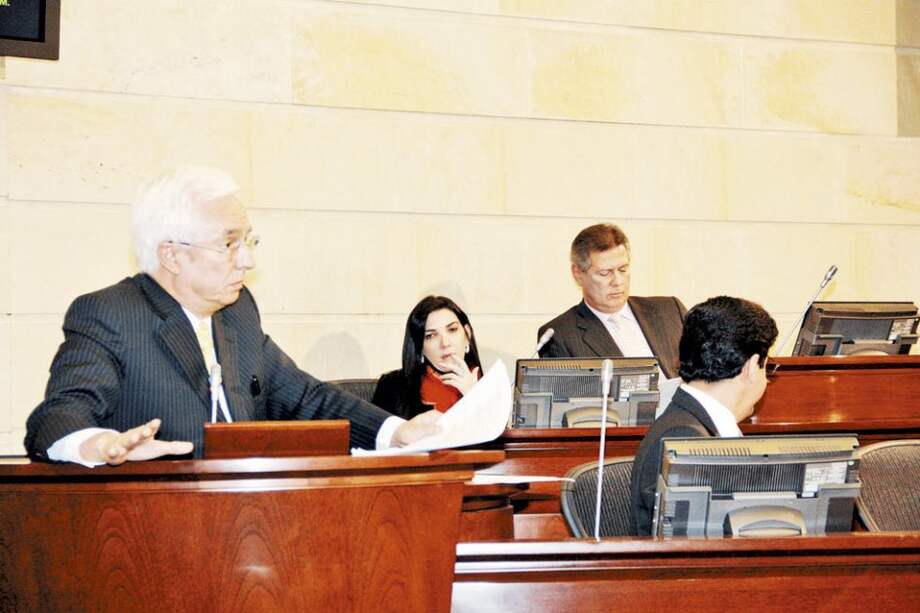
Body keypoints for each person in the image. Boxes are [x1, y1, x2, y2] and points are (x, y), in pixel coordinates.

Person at [24, 167, 438, 466]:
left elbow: (307, 397)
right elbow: (58, 416)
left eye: (248, 240)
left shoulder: (237, 312)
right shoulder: (111, 313)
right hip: (149, 540)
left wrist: (396, 432)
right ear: (172, 254)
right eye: (229, 244)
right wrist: (100, 445)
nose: (248, 259)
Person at [629, 295, 778, 536]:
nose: (767, 379)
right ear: (751, 367)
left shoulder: (691, 423)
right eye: (767, 367)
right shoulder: (685, 437)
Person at [538, 224, 686, 378]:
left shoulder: (670, 310)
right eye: (604, 273)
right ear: (577, 274)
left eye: (623, 269)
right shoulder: (560, 336)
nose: (617, 281)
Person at [372, 296, 482, 420]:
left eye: (452, 330)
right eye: (430, 336)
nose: (445, 343)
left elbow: (494, 437)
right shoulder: (392, 387)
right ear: (420, 347)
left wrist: (475, 397)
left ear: (467, 333)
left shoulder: (488, 386)